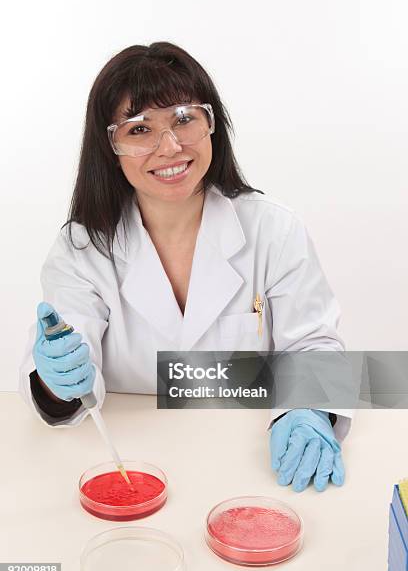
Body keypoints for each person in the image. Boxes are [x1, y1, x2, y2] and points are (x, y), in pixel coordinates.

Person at [19, 42, 352, 493]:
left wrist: (308, 409)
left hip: (249, 467)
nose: (170, 147)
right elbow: (69, 377)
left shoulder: (272, 229)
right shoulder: (83, 247)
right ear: (110, 146)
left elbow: (315, 343)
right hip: (127, 461)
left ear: (211, 124)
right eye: (139, 130)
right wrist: (57, 379)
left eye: (183, 119)